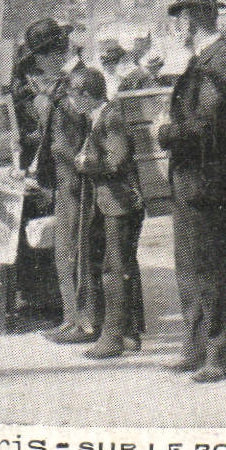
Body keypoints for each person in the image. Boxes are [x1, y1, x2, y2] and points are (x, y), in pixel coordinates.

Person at [156, 0, 226, 382]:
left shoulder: (219, 60)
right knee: (190, 265)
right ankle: (196, 345)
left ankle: (220, 354)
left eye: (178, 18)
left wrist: (165, 131)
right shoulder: (205, 59)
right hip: (193, 177)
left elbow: (203, 125)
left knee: (209, 267)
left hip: (206, 177)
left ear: (191, 20)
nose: (176, 27)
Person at [26, 21, 102, 343]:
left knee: (75, 250)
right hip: (63, 174)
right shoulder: (61, 84)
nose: (38, 65)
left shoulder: (76, 82)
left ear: (50, 55)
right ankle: (72, 317)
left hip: (75, 177)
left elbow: (78, 133)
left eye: (39, 57)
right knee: (65, 250)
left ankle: (82, 322)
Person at [66, 68, 145, 358]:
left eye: (74, 96)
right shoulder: (100, 116)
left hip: (119, 204)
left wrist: (86, 164)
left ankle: (113, 337)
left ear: (86, 95)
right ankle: (128, 333)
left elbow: (116, 161)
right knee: (119, 266)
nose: (72, 102)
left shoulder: (111, 118)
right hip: (109, 203)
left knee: (115, 270)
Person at [8, 24, 66, 325]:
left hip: (56, 166)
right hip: (30, 166)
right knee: (29, 230)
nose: (59, 57)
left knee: (55, 231)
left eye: (61, 50)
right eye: (51, 52)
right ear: (36, 58)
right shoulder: (21, 89)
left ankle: (56, 299)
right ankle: (31, 297)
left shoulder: (67, 85)